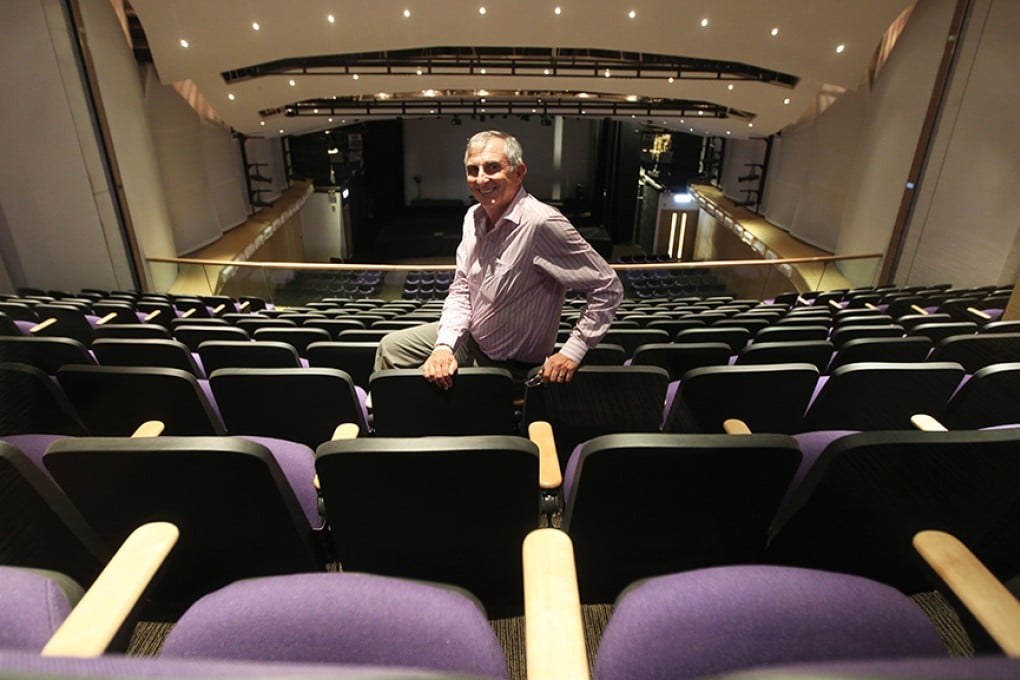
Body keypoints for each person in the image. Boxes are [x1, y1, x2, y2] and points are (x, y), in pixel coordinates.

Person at [374, 130, 623, 388]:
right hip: (472, 339)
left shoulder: (542, 224)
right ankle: (382, 422)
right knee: (390, 348)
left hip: (509, 365)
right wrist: (444, 346)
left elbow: (608, 287)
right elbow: (462, 289)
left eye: (492, 168)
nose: (481, 179)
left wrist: (574, 350)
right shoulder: (472, 217)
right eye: (473, 170)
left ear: (518, 172)